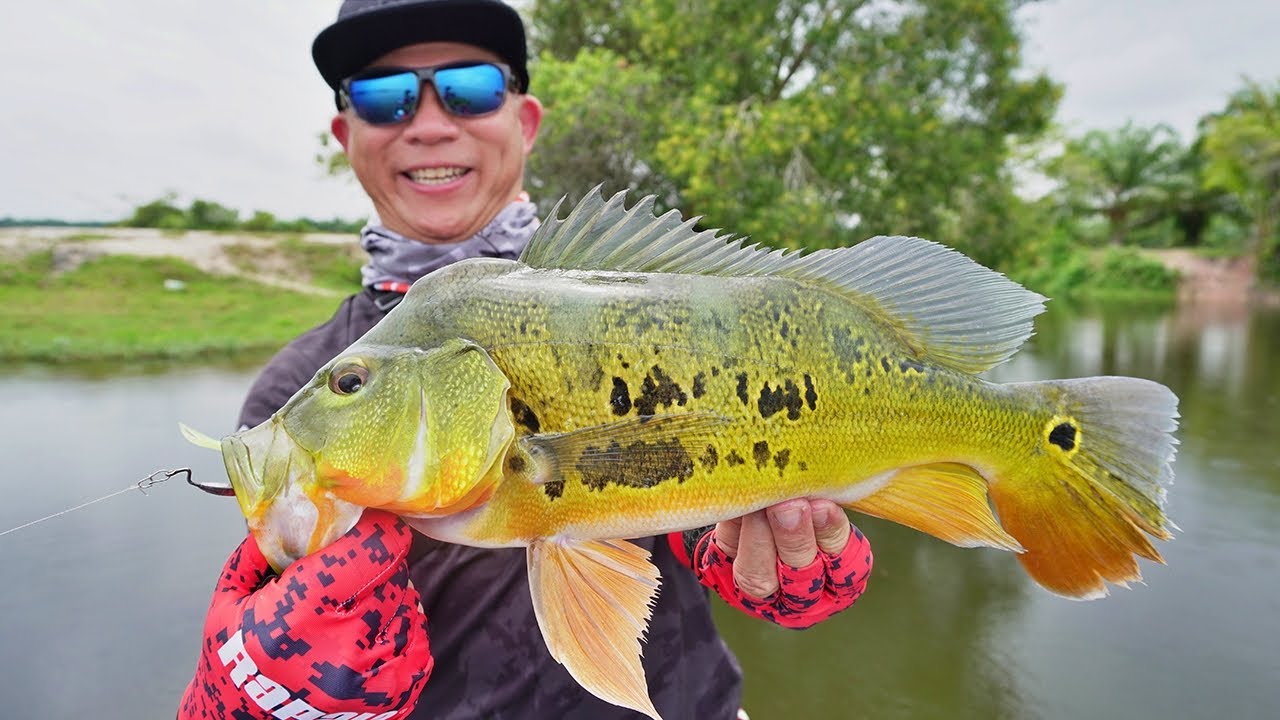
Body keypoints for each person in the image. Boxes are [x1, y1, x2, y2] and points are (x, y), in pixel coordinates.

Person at [179, 1, 873, 718]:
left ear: (526, 120)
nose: (428, 124)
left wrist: (772, 561)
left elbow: (713, 505)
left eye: (468, 88)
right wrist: (257, 693)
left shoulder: (650, 306)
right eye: (382, 97)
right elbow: (287, 599)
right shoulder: (296, 394)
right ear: (346, 133)